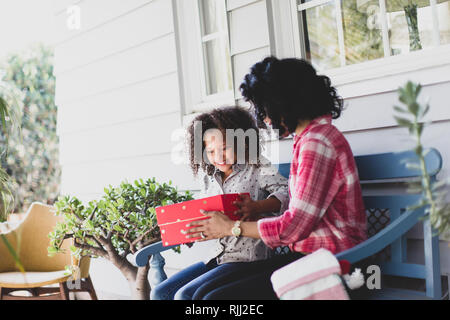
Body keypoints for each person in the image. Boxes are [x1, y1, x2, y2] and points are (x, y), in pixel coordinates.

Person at [186, 57, 367, 300]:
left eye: (264, 107)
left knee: (213, 300)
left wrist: (231, 227)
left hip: (336, 264)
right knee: (201, 296)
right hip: (308, 257)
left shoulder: (317, 143)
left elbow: (294, 227)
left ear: (285, 103)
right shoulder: (308, 139)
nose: (263, 118)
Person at [150, 106, 289, 300]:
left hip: (248, 259)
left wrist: (257, 207)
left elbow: (286, 192)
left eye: (225, 148)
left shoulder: (256, 165)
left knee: (185, 295)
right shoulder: (209, 177)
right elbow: (207, 216)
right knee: (160, 292)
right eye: (211, 151)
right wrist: (195, 232)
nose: (219, 157)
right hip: (217, 257)